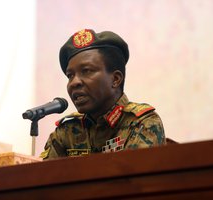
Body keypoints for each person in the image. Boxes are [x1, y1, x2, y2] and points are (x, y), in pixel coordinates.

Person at [40, 29, 166, 159]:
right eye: (70, 75)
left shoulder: (142, 123)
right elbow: (42, 177)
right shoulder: (67, 131)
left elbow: (132, 178)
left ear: (115, 79)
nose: (74, 82)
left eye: (86, 71)